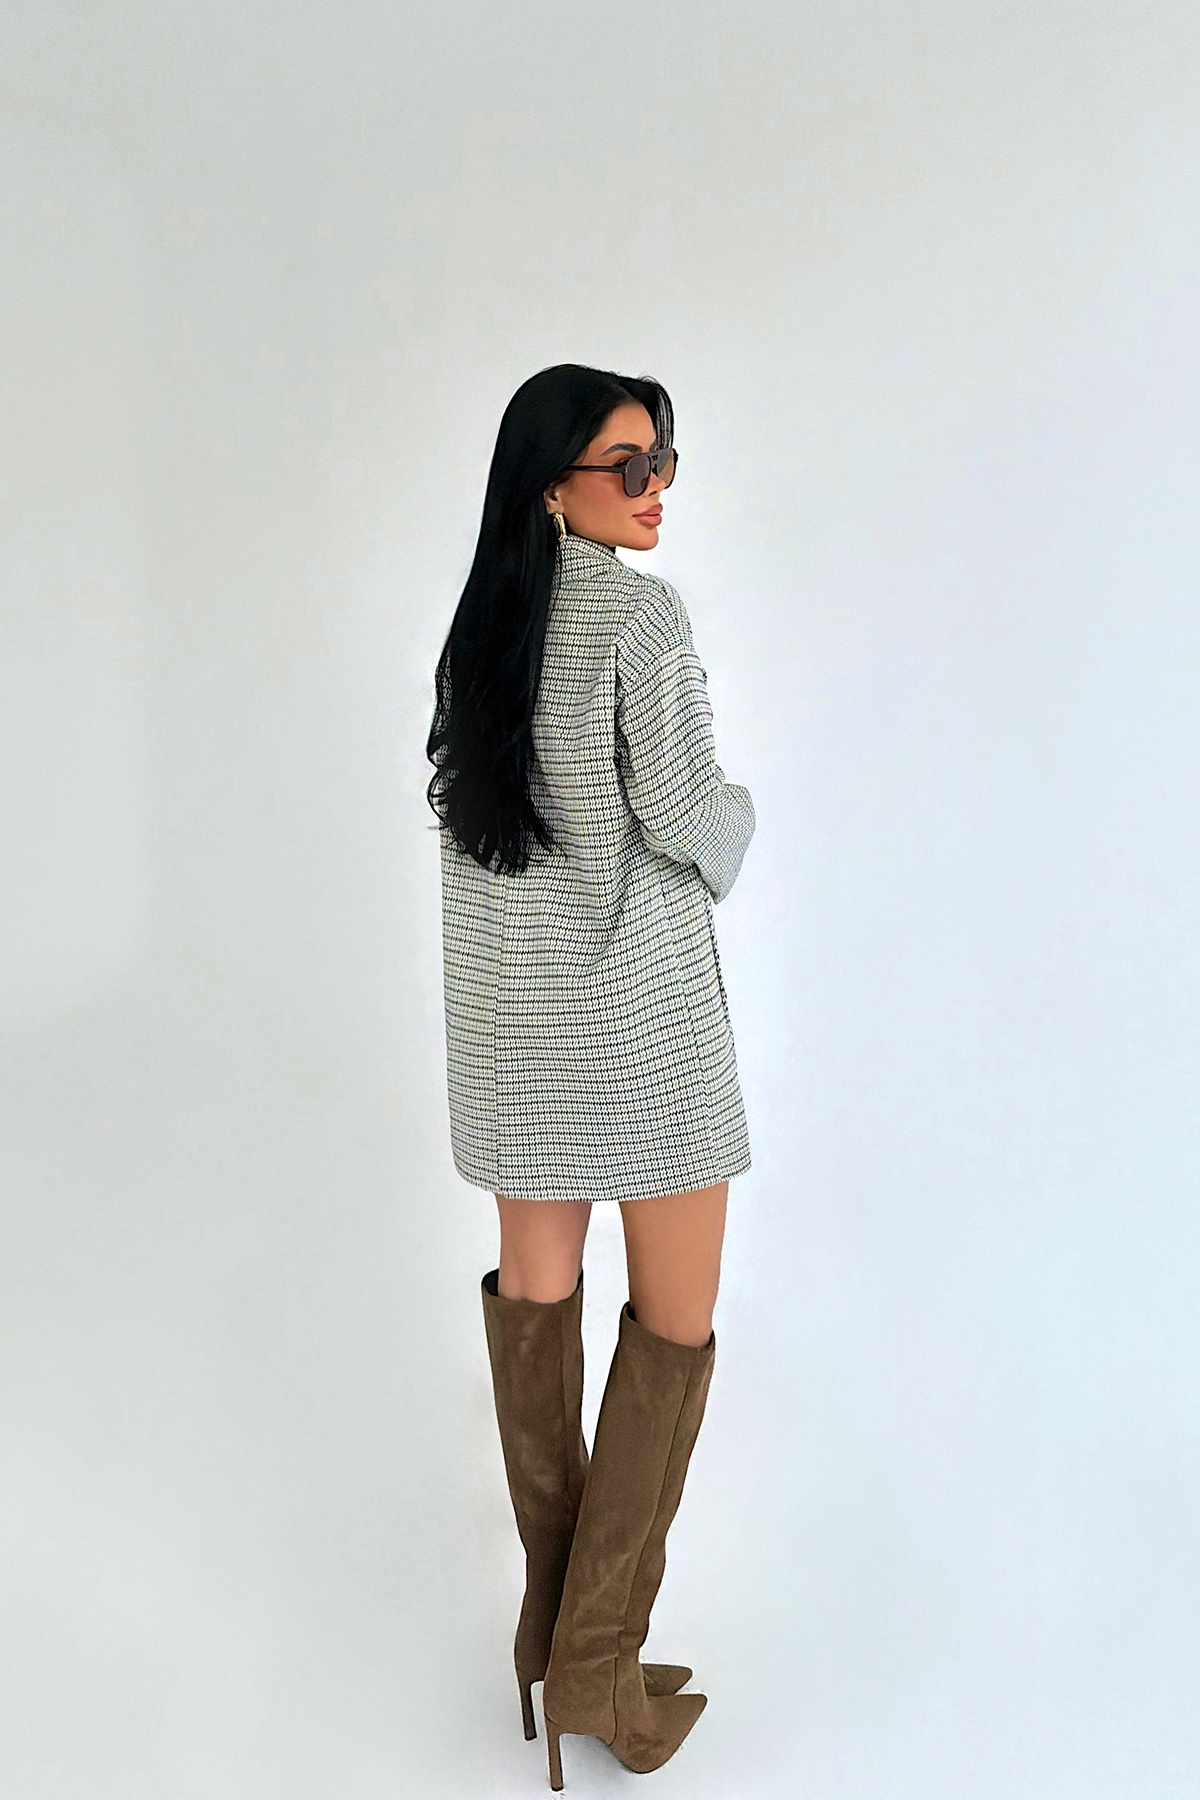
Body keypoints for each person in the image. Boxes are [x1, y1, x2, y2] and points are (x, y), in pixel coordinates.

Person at [426, 363, 755, 1789]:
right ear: (552, 487)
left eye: (664, 457)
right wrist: (744, 816)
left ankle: (554, 1641)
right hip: (643, 1029)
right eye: (630, 464)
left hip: (519, 1039)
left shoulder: (480, 634)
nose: (657, 485)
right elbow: (685, 816)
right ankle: (599, 1661)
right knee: (675, 1326)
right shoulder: (637, 616)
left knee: (538, 1307)